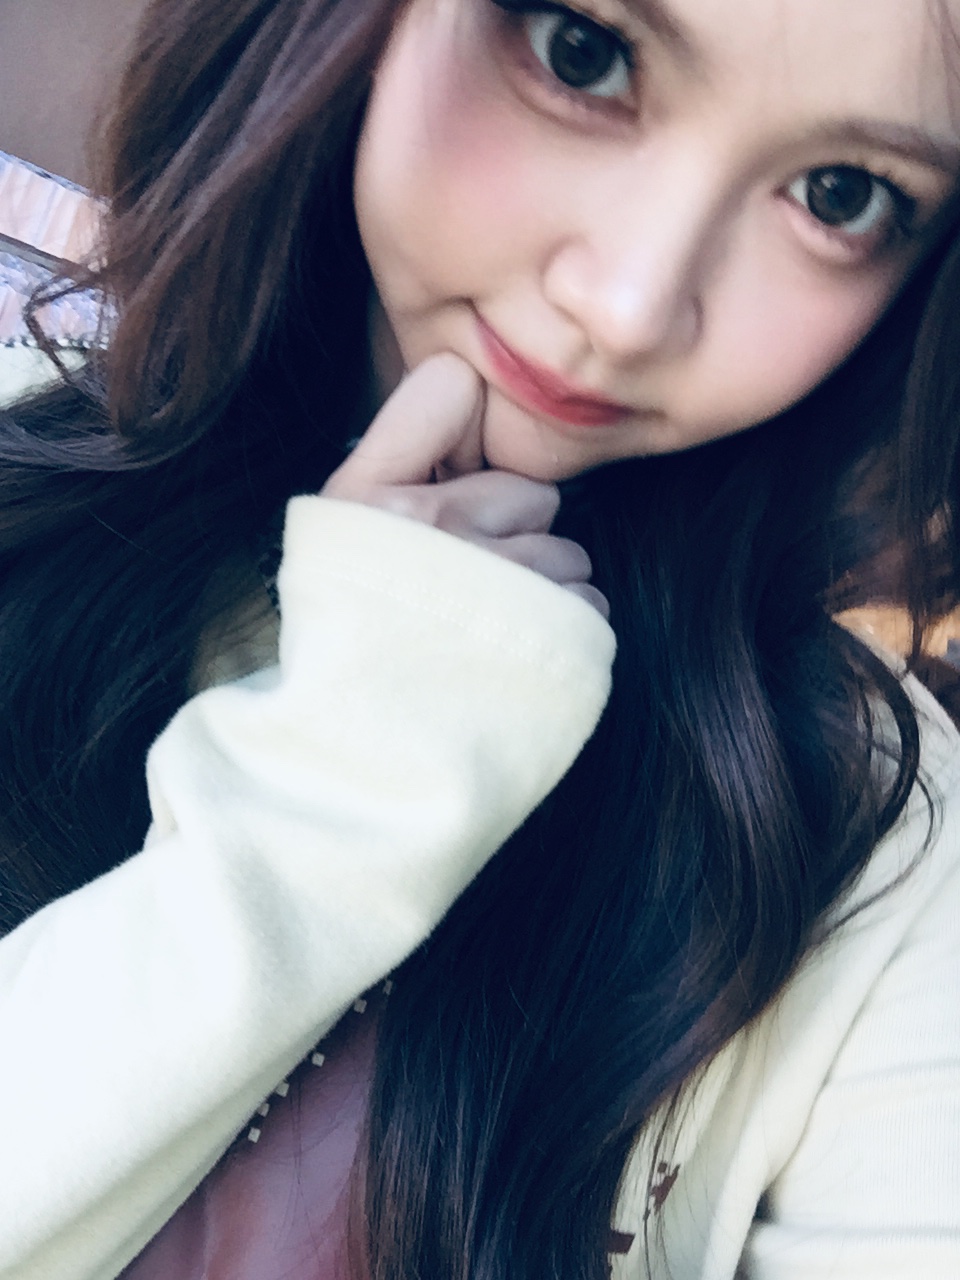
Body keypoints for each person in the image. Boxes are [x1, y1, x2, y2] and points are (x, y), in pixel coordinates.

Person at [0, 0, 959, 1277]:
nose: (628, 306)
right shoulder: (21, 485)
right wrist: (334, 789)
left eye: (842, 194)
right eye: (582, 54)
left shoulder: (888, 842)